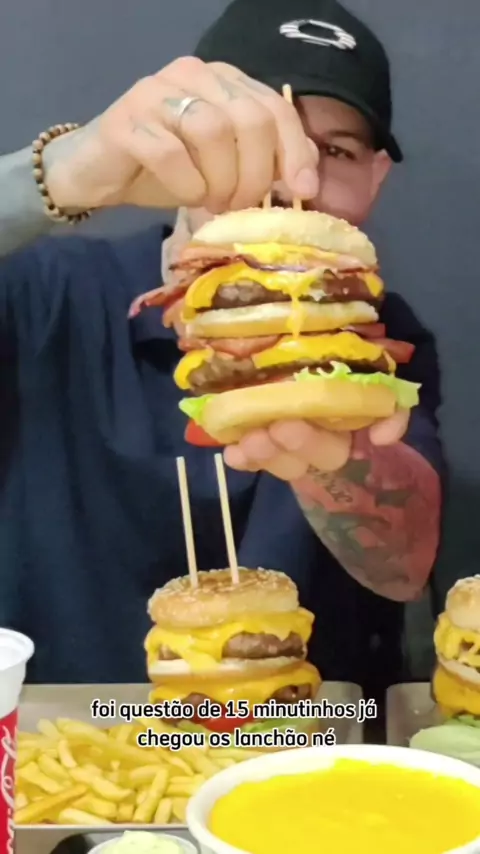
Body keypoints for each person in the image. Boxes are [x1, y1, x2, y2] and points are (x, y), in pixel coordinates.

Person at [0, 0, 442, 694]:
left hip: (302, 731)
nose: (287, 179)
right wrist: (60, 173)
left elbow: (405, 569)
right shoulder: (45, 293)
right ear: (176, 144)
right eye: (248, 136)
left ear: (375, 176)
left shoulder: (375, 342)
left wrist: (340, 457)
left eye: (334, 151)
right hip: (69, 733)